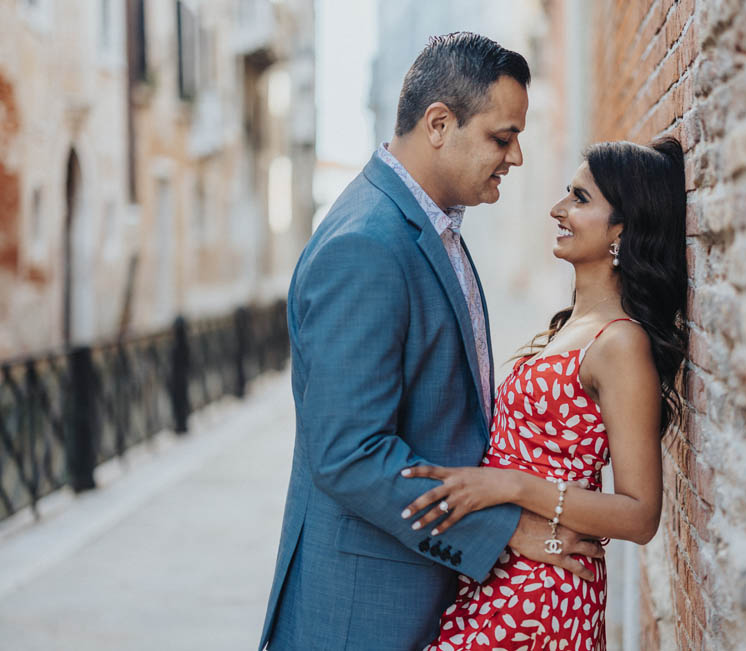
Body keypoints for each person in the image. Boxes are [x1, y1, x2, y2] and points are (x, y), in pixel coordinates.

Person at [259, 32, 604, 651]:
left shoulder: (430, 225)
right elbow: (350, 453)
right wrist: (504, 529)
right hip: (363, 614)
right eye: (503, 137)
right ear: (439, 123)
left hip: (421, 594)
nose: (517, 158)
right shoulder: (365, 245)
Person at [400, 136, 688, 650]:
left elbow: (641, 514)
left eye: (579, 199)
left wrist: (512, 487)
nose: (558, 210)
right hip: (500, 572)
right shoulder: (575, 324)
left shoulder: (620, 343)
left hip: (542, 593)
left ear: (622, 228)